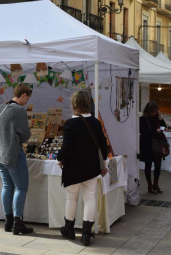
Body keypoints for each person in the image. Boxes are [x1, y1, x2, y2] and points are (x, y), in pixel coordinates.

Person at [56, 91, 108, 246]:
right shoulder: (96, 122)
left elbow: (67, 147)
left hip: (73, 167)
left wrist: (59, 158)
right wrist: (102, 161)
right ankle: (86, 234)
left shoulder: (70, 124)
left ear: (74, 104)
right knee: (90, 198)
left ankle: (69, 229)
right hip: (91, 167)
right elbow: (103, 147)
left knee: (71, 198)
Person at [0, 83, 33, 235]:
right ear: (23, 95)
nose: (27, 102)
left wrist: (1, 133)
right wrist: (11, 135)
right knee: (21, 187)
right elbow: (25, 136)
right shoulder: (19, 111)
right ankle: (18, 223)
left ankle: (8, 221)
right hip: (13, 153)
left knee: (7, 186)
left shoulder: (1, 107)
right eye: (27, 98)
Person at [139, 101, 167, 194]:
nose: (155, 113)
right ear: (149, 110)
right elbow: (144, 133)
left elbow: (164, 127)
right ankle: (149, 185)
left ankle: (156, 184)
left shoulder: (157, 118)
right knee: (148, 166)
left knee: (158, 166)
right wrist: (155, 131)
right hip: (147, 145)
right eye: (153, 111)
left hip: (157, 145)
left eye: (156, 111)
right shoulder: (142, 119)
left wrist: (160, 118)